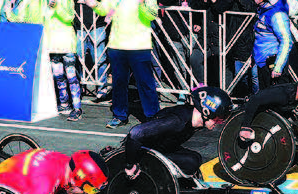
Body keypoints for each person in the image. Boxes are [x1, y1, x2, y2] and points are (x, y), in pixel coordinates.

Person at [122, 85, 230, 182]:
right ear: (206, 112)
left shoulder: (194, 120)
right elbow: (136, 133)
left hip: (161, 148)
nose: (220, 123)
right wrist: (130, 165)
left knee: (195, 158)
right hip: (141, 151)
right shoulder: (177, 121)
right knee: (190, 162)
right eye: (219, 118)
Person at [85, 0, 161, 128]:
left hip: (139, 46)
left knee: (145, 83)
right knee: (119, 83)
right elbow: (104, 9)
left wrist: (142, 4)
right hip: (116, 46)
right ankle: (119, 115)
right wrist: (95, 5)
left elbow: (152, 15)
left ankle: (152, 117)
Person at [12, 0, 84, 122]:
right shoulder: (40, 3)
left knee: (71, 77)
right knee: (58, 77)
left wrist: (56, 7)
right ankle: (64, 104)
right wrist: (13, 9)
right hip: (51, 45)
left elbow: (69, 17)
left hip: (67, 44)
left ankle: (77, 108)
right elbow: (26, 18)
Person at [236, 70, 298, 139]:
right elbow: (254, 99)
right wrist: (245, 126)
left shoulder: (296, 97)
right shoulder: (282, 94)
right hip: (244, 119)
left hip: (262, 123)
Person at [250, 0, 292, 94]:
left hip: (272, 64)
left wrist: (278, 66)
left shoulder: (277, 13)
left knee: (275, 103)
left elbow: (286, 41)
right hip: (261, 62)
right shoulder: (263, 8)